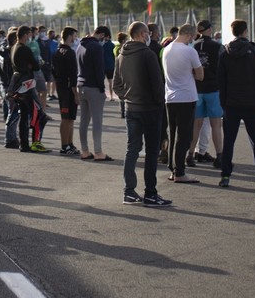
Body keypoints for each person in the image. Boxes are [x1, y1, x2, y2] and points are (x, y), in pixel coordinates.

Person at [113, 21, 171, 207]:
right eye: (147, 33)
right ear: (142, 34)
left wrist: (127, 97)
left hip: (131, 108)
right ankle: (150, 193)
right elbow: (157, 84)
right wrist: (159, 105)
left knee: (132, 150)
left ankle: (129, 191)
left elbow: (117, 85)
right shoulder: (147, 54)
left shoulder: (121, 54)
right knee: (152, 152)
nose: (150, 35)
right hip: (150, 109)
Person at [217, 20, 255, 189]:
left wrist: (224, 103)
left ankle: (225, 175)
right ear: (245, 31)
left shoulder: (225, 53)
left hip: (231, 103)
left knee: (229, 141)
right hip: (253, 103)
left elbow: (221, 82)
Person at [161, 25, 202, 183]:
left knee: (173, 134)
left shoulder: (167, 49)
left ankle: (173, 169)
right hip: (186, 96)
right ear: (189, 35)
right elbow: (200, 75)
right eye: (192, 37)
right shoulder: (189, 51)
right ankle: (180, 171)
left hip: (170, 97)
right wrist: (191, 71)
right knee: (184, 136)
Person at [191, 20, 225, 169]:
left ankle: (190, 155)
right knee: (216, 124)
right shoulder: (218, 46)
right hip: (213, 88)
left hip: (197, 89)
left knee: (196, 125)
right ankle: (219, 156)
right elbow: (223, 68)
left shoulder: (193, 46)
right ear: (210, 30)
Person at [10, 25, 47, 153]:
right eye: (30, 34)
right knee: (38, 113)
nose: (31, 36)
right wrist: (31, 65)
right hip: (27, 84)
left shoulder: (14, 47)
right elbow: (36, 66)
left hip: (17, 84)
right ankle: (35, 142)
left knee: (24, 115)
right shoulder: (24, 49)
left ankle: (24, 144)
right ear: (25, 35)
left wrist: (30, 65)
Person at [76, 26, 111, 161]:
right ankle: (98, 152)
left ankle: (84, 150)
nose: (105, 41)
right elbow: (99, 68)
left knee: (84, 120)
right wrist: (102, 89)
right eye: (106, 38)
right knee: (97, 121)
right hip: (94, 87)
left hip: (81, 85)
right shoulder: (96, 47)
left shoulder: (80, 45)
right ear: (101, 34)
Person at [52, 26, 81, 155]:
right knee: (66, 118)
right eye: (74, 36)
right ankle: (64, 146)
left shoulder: (57, 51)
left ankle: (70, 144)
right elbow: (72, 75)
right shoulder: (69, 53)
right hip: (67, 90)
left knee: (71, 118)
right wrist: (76, 93)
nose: (75, 38)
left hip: (61, 87)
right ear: (69, 36)